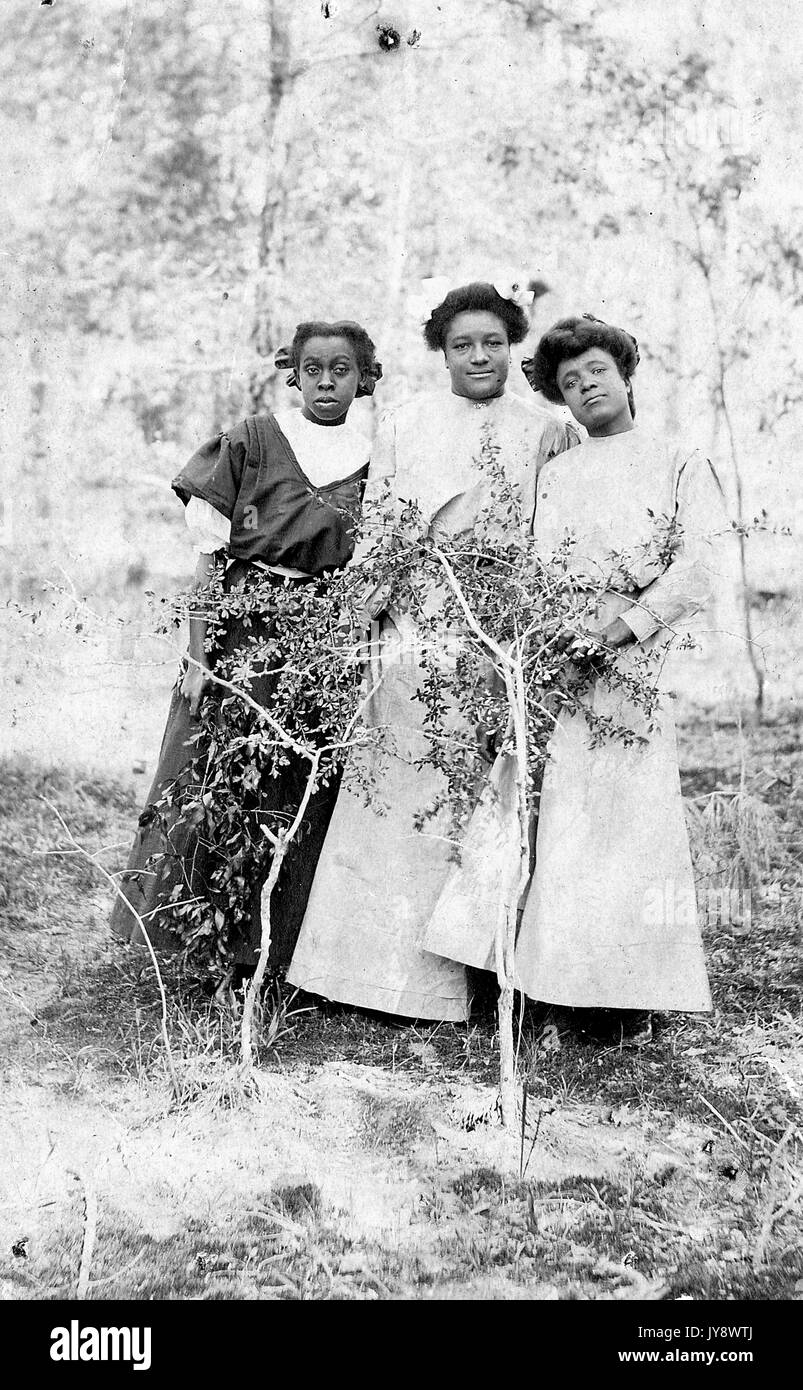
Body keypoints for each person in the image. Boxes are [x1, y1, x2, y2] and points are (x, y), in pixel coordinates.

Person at [287, 280, 579, 1022]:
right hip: (417, 621)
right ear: (440, 352)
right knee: (399, 788)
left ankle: (477, 983)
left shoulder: (545, 428)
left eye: (491, 343)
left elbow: (559, 537)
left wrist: (531, 629)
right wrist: (363, 615)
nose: (478, 356)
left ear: (512, 346)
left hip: (502, 626)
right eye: (461, 345)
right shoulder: (407, 420)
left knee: (487, 797)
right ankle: (372, 980)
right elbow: (384, 522)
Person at [110, 320, 382, 976]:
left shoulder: (379, 449)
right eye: (312, 367)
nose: (325, 380)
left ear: (363, 376)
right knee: (209, 776)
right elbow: (207, 564)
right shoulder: (254, 440)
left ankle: (275, 957)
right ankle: (186, 947)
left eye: (340, 368)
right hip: (241, 633)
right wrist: (201, 659)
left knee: (297, 786)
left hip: (319, 641)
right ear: (292, 372)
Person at [512, 313, 721, 1044]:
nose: (585, 387)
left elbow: (697, 565)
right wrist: (553, 640)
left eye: (595, 371)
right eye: (569, 382)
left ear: (624, 373)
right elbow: (540, 567)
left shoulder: (676, 458)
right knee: (567, 816)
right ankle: (563, 989)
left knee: (632, 820)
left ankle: (631, 996)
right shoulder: (560, 472)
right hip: (567, 652)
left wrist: (623, 628)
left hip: (634, 653)